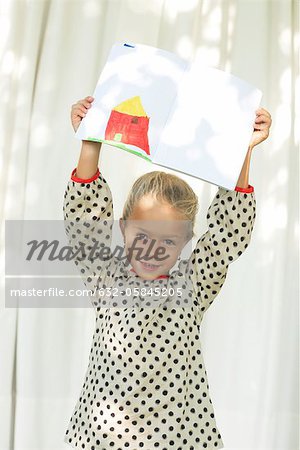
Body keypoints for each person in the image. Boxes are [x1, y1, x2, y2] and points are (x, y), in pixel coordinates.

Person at [63, 95, 272, 450]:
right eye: (142, 235)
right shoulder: (106, 277)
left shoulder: (194, 283)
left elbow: (227, 233)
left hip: (180, 439)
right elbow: (85, 218)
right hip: (105, 439)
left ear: (187, 240)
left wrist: (242, 150)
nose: (152, 250)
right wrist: (90, 139)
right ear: (123, 227)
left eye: (168, 241)